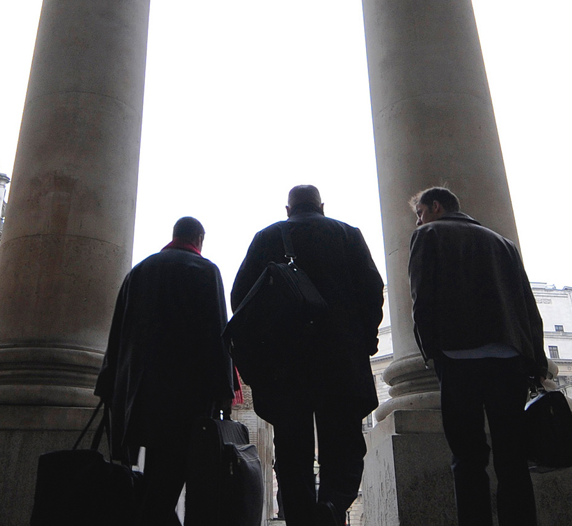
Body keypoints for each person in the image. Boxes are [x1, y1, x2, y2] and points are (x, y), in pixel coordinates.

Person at [232, 185, 384, 526]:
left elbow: (240, 300)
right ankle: (332, 506)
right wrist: (365, 341)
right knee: (343, 446)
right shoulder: (348, 235)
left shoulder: (266, 238)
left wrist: (261, 353)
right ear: (322, 206)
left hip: (286, 367)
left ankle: (300, 518)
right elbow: (373, 290)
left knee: (291, 454)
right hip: (340, 362)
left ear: (288, 210)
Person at [408, 186, 549, 526]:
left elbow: (421, 295)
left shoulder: (429, 234)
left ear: (436, 207)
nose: (418, 221)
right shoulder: (502, 242)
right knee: (512, 458)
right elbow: (526, 305)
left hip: (458, 359)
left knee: (467, 457)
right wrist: (536, 361)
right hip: (508, 359)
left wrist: (431, 350)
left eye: (420, 213)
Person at [96, 217, 235, 526]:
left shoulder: (139, 271)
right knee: (169, 479)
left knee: (153, 477)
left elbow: (116, 334)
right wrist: (224, 393)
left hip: (137, 397)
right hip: (185, 400)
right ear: (199, 239)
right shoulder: (205, 271)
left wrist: (107, 386)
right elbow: (218, 334)